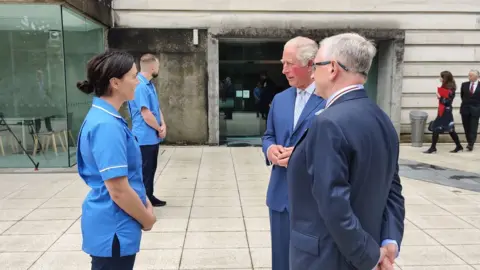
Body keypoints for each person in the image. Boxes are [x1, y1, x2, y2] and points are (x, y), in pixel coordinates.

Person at [287, 33, 405, 270]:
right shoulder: (382, 118)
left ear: (332, 69)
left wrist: (369, 256)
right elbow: (393, 188)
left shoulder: (328, 123)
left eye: (316, 65)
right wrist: (389, 239)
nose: (311, 73)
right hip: (363, 247)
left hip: (326, 257)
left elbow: (333, 203)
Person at [76, 50, 157, 270]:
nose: (137, 82)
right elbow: (118, 189)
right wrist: (147, 219)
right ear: (115, 83)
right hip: (114, 226)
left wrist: (144, 200)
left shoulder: (105, 117)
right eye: (132, 76)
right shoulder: (107, 126)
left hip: (112, 223)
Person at [261, 36, 326, 270]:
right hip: (280, 195)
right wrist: (270, 150)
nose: (283, 69)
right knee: (281, 259)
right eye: (283, 63)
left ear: (311, 65)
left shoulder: (329, 100)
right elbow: (268, 135)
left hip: (314, 199)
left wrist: (301, 156)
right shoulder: (280, 99)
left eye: (289, 63)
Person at [128, 54, 167, 207]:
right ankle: (141, 201)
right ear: (152, 67)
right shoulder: (140, 86)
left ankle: (149, 196)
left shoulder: (150, 85)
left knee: (151, 168)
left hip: (153, 136)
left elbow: (156, 108)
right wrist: (158, 128)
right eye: (157, 66)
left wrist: (163, 124)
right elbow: (145, 114)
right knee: (144, 170)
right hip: (144, 136)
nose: (158, 69)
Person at [424, 71, 463, 153]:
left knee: (437, 128)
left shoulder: (450, 89)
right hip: (443, 110)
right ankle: (458, 146)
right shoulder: (445, 87)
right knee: (449, 129)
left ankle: (433, 148)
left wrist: (439, 97)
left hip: (446, 112)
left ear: (444, 78)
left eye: (441, 77)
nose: (439, 78)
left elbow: (447, 101)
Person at [460, 69, 480, 151]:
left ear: (477, 77)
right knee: (466, 127)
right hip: (465, 109)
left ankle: (471, 144)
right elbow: (462, 96)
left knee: (473, 127)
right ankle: (469, 141)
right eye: (469, 75)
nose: (469, 77)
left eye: (471, 75)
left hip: (476, 109)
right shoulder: (464, 85)